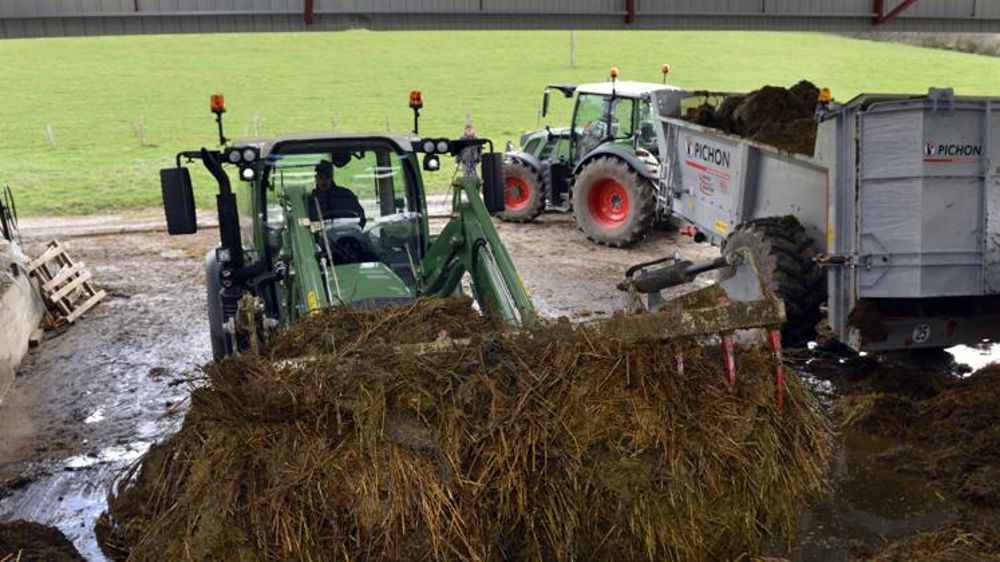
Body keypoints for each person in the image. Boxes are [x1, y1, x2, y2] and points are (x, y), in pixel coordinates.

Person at [309, 160, 366, 227]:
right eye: (320, 177)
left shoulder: (345, 195)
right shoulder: (310, 199)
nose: (323, 181)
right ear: (316, 178)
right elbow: (305, 223)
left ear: (332, 177)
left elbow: (361, 218)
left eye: (327, 177)